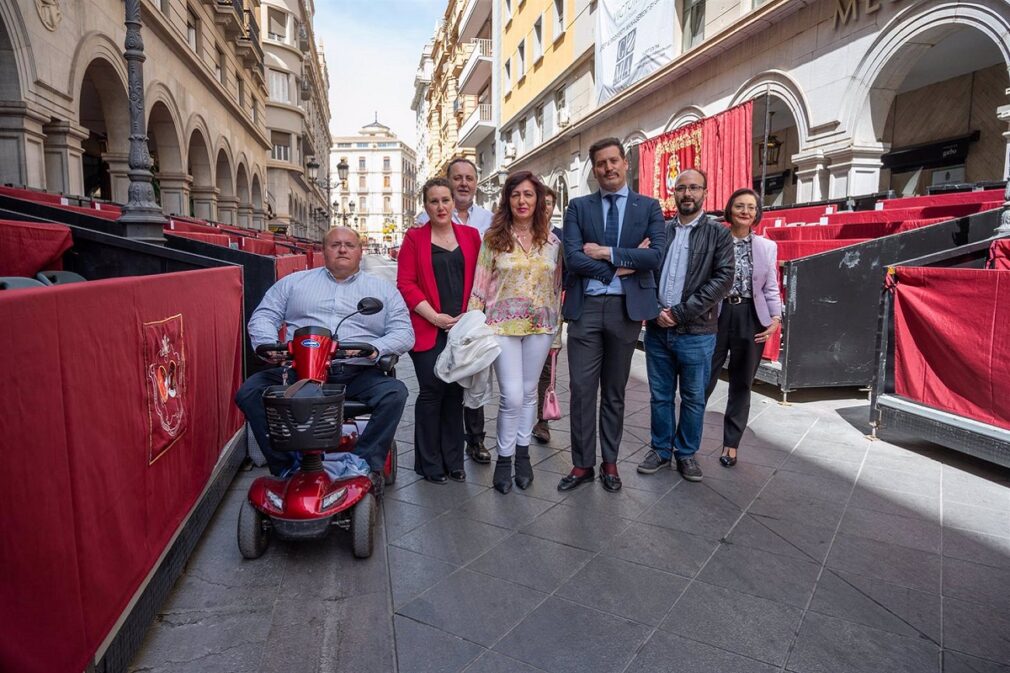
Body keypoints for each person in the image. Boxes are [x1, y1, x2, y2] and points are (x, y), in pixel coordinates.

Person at [235, 226, 414, 496]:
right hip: (299, 370)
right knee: (249, 392)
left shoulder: (382, 290)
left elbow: (404, 333)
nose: (342, 249)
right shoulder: (295, 283)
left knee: (395, 393)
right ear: (323, 250)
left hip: (354, 373)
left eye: (349, 245)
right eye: (335, 244)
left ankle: (361, 462)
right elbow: (264, 316)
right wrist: (267, 345)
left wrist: (371, 348)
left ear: (359, 251)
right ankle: (286, 465)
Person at [559, 138, 666, 493]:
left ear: (626, 163)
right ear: (594, 169)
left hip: (625, 310)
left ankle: (609, 462)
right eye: (601, 163)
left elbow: (655, 257)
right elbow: (573, 257)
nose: (608, 168)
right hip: (585, 308)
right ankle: (581, 465)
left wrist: (605, 252)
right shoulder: (578, 207)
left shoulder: (648, 207)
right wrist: (621, 266)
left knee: (615, 392)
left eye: (613, 161)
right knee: (581, 390)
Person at [636, 169, 734, 483]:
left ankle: (686, 453)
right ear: (673, 193)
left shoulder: (718, 233)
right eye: (681, 188)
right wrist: (654, 310)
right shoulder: (661, 231)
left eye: (693, 188)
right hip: (657, 329)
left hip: (697, 332)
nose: (687, 194)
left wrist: (679, 313)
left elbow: (723, 280)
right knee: (660, 396)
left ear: (705, 191)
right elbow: (646, 272)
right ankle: (661, 450)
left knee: (693, 397)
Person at [468, 171, 562, 494]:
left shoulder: (553, 242)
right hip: (501, 326)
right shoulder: (494, 238)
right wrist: (471, 330)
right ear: (507, 199)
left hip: (541, 326)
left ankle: (523, 455)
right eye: (516, 194)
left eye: (529, 195)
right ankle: (503, 458)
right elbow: (479, 289)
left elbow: (556, 287)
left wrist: (557, 334)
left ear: (539, 201)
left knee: (528, 392)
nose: (522, 201)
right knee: (512, 396)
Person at [397, 178, 482, 484]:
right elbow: (405, 283)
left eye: (445, 200)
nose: (441, 206)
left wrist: (472, 316)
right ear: (425, 206)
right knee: (433, 391)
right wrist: (435, 317)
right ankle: (429, 463)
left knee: (455, 392)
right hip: (428, 326)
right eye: (434, 201)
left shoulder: (472, 236)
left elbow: (482, 279)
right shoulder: (414, 238)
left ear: (453, 202)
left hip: (463, 327)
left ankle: (454, 460)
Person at [417, 157, 494, 465]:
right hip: (438, 315)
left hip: (473, 314)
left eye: (469, 178)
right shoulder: (423, 224)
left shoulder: (488, 220)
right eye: (457, 178)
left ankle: (475, 441)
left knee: (474, 379)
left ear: (476, 183)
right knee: (443, 386)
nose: (464, 183)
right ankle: (439, 454)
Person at [705, 188, 781, 467]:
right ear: (730, 209)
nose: (745, 211)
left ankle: (730, 445)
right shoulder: (716, 239)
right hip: (716, 314)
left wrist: (775, 319)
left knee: (741, 383)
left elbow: (770, 286)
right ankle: (687, 439)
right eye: (740, 206)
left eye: (751, 207)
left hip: (751, 316)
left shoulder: (766, 247)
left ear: (757, 213)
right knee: (704, 378)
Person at [533, 186, 563, 443]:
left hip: (550, 316)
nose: (546, 208)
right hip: (519, 319)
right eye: (542, 202)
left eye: (550, 203)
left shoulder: (560, 238)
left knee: (546, 372)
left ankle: (542, 423)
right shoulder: (519, 235)